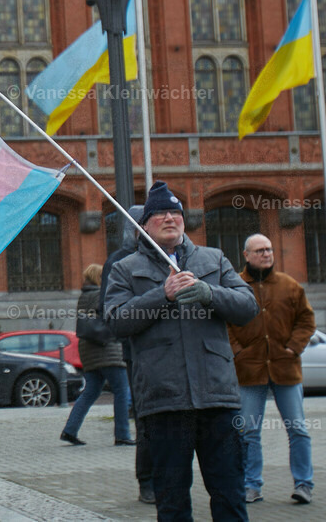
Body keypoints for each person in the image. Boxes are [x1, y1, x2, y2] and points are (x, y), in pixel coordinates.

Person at [105, 181, 258, 521]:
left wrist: (209, 293)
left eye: (175, 212)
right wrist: (163, 294)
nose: (170, 218)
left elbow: (248, 306)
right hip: (164, 401)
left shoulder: (213, 259)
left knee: (230, 493)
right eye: (160, 213)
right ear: (144, 224)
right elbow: (116, 321)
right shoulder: (125, 269)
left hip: (217, 397)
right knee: (172, 502)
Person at [228, 233, 316, 505]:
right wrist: (238, 352)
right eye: (259, 250)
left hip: (286, 369)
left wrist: (293, 347)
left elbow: (306, 320)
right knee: (248, 431)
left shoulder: (289, 285)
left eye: (268, 249)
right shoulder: (234, 286)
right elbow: (224, 324)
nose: (266, 254)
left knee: (298, 429)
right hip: (249, 372)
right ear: (246, 255)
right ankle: (250, 485)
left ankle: (303, 484)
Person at [100, 204, 155, 503]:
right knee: (147, 418)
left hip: (175, 351)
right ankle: (146, 480)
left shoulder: (169, 257)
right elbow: (108, 313)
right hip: (138, 353)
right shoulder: (120, 261)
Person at [60, 264, 133, 447]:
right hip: (107, 348)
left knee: (91, 391)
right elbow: (112, 317)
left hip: (88, 350)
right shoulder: (101, 294)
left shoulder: (84, 295)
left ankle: (70, 430)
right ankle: (122, 434)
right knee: (122, 390)